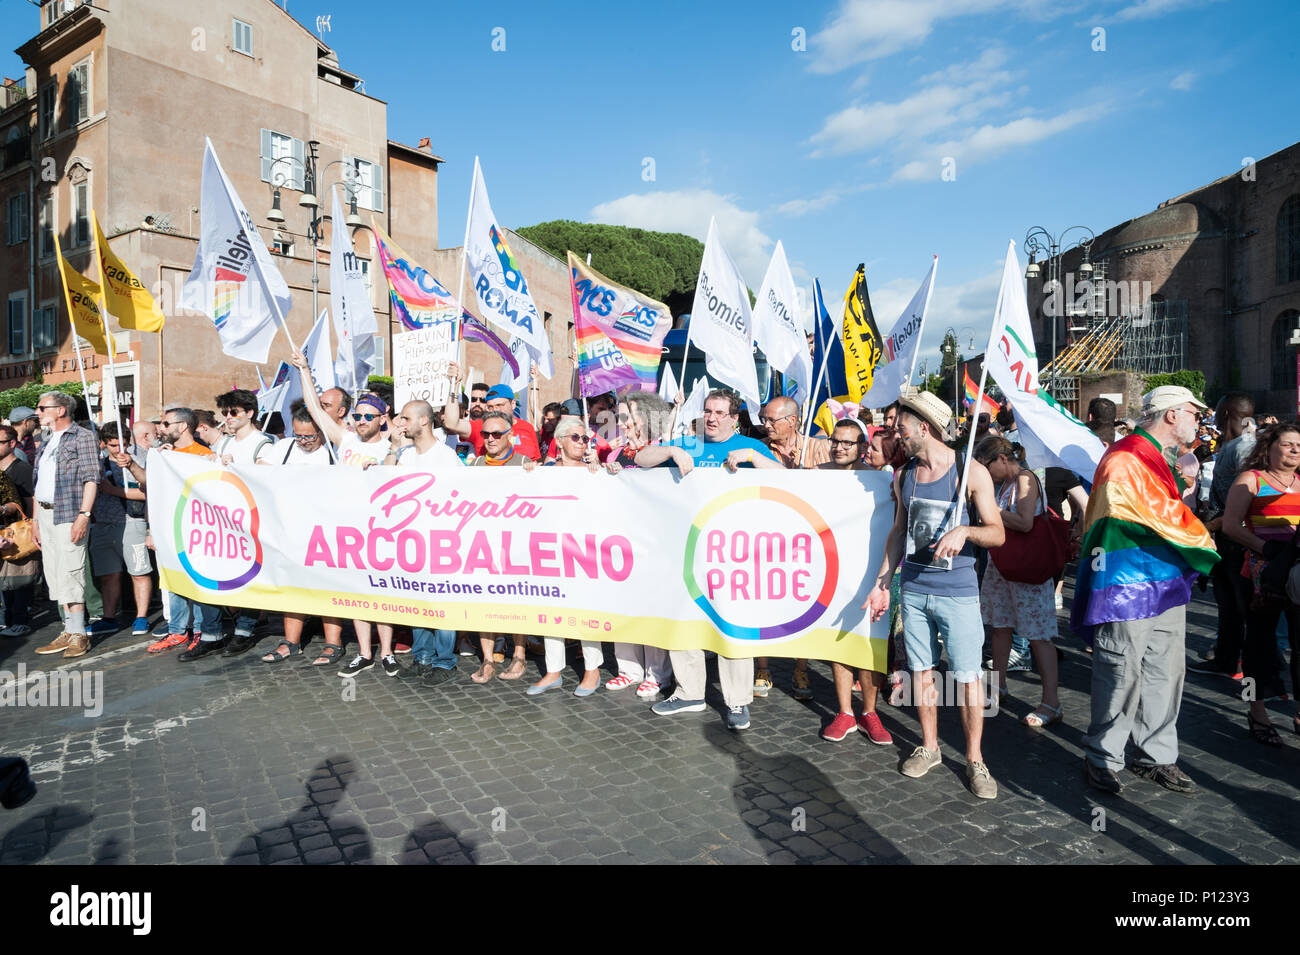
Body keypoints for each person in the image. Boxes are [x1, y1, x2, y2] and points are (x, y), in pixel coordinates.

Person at [1074, 386, 1219, 795]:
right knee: (1121, 669)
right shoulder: (1125, 457)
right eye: (1194, 412)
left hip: (1164, 582)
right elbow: (1150, 514)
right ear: (1172, 415)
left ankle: (1157, 755)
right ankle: (1103, 754)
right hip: (1126, 583)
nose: (1198, 420)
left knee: (1166, 671)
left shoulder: (1158, 459)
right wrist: (1201, 533)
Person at [863, 391, 1005, 799]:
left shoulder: (970, 471)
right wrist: (883, 582)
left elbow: (997, 533)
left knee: (966, 677)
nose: (897, 436)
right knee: (921, 671)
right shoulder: (904, 475)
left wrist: (966, 530)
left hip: (958, 593)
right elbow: (897, 532)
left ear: (923, 428)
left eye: (901, 428)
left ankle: (975, 759)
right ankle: (930, 746)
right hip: (916, 590)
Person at [638, 390, 777, 731]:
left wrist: (758, 461)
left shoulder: (750, 446)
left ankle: (737, 701)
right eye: (707, 411)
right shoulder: (690, 443)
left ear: (734, 417)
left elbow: (787, 480)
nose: (711, 417)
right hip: (687, 549)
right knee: (684, 620)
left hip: (733, 555)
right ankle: (689, 692)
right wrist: (670, 449)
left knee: (730, 626)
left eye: (719, 412)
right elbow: (641, 459)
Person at [1220, 422, 1300, 745]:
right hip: (1260, 575)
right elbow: (1229, 525)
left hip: (1296, 575)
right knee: (1257, 648)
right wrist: (1266, 548)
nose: (1295, 449)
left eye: (1299, 445)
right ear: (1269, 447)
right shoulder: (1251, 480)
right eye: (1288, 444)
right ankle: (1255, 710)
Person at [974, 436, 1062, 727]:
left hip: (1027, 570)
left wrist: (993, 512)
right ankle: (999, 686)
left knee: (1038, 635)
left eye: (987, 467)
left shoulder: (1025, 479)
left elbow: (1025, 522)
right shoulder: (1006, 484)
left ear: (1001, 459)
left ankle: (1051, 702)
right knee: (1000, 627)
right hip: (1004, 567)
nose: (986, 475)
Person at [819, 420, 893, 745]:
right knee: (840, 640)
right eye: (836, 440)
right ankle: (845, 712)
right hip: (833, 570)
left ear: (861, 447)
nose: (840, 447)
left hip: (872, 571)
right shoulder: (817, 475)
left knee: (870, 641)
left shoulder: (880, 480)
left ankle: (870, 712)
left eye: (848, 443)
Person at [523, 418, 607, 698]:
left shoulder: (593, 472)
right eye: (575, 437)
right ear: (559, 441)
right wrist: (528, 471)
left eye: (585, 438)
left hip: (584, 550)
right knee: (551, 609)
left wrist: (607, 471)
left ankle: (592, 669)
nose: (582, 443)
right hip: (550, 550)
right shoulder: (545, 471)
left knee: (586, 609)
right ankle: (553, 670)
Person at [259, 402, 346, 666]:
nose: (303, 441)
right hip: (290, 531)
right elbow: (258, 471)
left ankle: (333, 643)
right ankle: (291, 642)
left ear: (321, 432)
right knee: (292, 588)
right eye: (298, 435)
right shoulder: (283, 448)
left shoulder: (334, 451)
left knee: (325, 587)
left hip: (324, 532)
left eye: (309, 436)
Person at [602, 393, 674, 697]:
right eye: (620, 418)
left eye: (627, 417)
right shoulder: (614, 454)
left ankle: (658, 674)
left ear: (645, 419)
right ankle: (628, 668)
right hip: (621, 542)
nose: (621, 423)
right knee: (624, 607)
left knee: (652, 609)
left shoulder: (664, 452)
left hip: (655, 543)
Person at [31, 392, 103, 660]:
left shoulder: (82, 437)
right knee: (57, 573)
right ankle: (69, 630)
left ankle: (79, 633)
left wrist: (84, 515)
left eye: (42, 408)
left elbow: (91, 478)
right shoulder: (46, 440)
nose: (38, 412)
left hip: (69, 513)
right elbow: (40, 484)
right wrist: (36, 521)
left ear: (61, 410)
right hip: (47, 514)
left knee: (72, 571)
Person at [1192, 392, 1257, 678]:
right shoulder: (1231, 445)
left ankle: (1257, 668)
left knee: (1242, 607)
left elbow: (1250, 493)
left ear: (1227, 414)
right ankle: (1227, 660)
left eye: (1218, 412)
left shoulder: (1244, 447)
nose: (1214, 418)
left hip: (1237, 537)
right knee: (1227, 603)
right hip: (1225, 537)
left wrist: (1213, 525)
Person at [467, 410, 532, 682]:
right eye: (486, 434)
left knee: (517, 602)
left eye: (497, 434)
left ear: (511, 435)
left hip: (516, 546)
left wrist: (534, 474)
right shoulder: (476, 465)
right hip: (484, 546)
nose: (490, 439)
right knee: (484, 602)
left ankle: (519, 656)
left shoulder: (524, 463)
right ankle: (487, 660)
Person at [89, 423, 153, 637]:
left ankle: (141, 617)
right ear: (103, 444)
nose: (118, 450)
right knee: (109, 575)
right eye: (113, 445)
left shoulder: (140, 459)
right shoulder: (97, 461)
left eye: (123, 444)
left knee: (139, 572)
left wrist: (114, 490)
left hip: (131, 521)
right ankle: (109, 618)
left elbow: (148, 493)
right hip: (103, 523)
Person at [444, 370, 540, 461]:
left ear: (513, 404)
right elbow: (451, 423)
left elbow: (536, 462)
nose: (495, 410)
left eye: (500, 405)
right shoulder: (480, 426)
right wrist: (454, 385)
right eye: (490, 407)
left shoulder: (527, 427)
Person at [0, 424, 35, 636]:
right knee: (5, 580)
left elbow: (30, 502)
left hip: (18, 532)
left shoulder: (23, 470)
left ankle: (20, 619)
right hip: (4, 531)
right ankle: (6, 619)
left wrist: (33, 527)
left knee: (20, 576)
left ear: (12, 444)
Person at [213, 389, 277, 466]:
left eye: (234, 412)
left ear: (249, 413)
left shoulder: (263, 445)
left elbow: (261, 476)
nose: (228, 417)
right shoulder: (224, 443)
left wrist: (233, 465)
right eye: (225, 413)